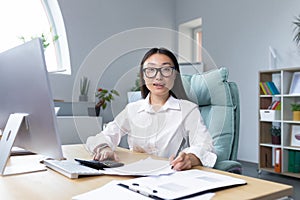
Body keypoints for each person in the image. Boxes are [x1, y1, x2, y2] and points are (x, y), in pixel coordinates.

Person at [86, 47, 217, 170]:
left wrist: (190, 158)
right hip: (134, 172)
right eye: (151, 70)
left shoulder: (188, 109)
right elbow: (104, 136)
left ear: (175, 75)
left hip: (169, 175)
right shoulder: (132, 109)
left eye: (166, 70)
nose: (158, 77)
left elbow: (205, 146)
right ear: (143, 76)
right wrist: (104, 148)